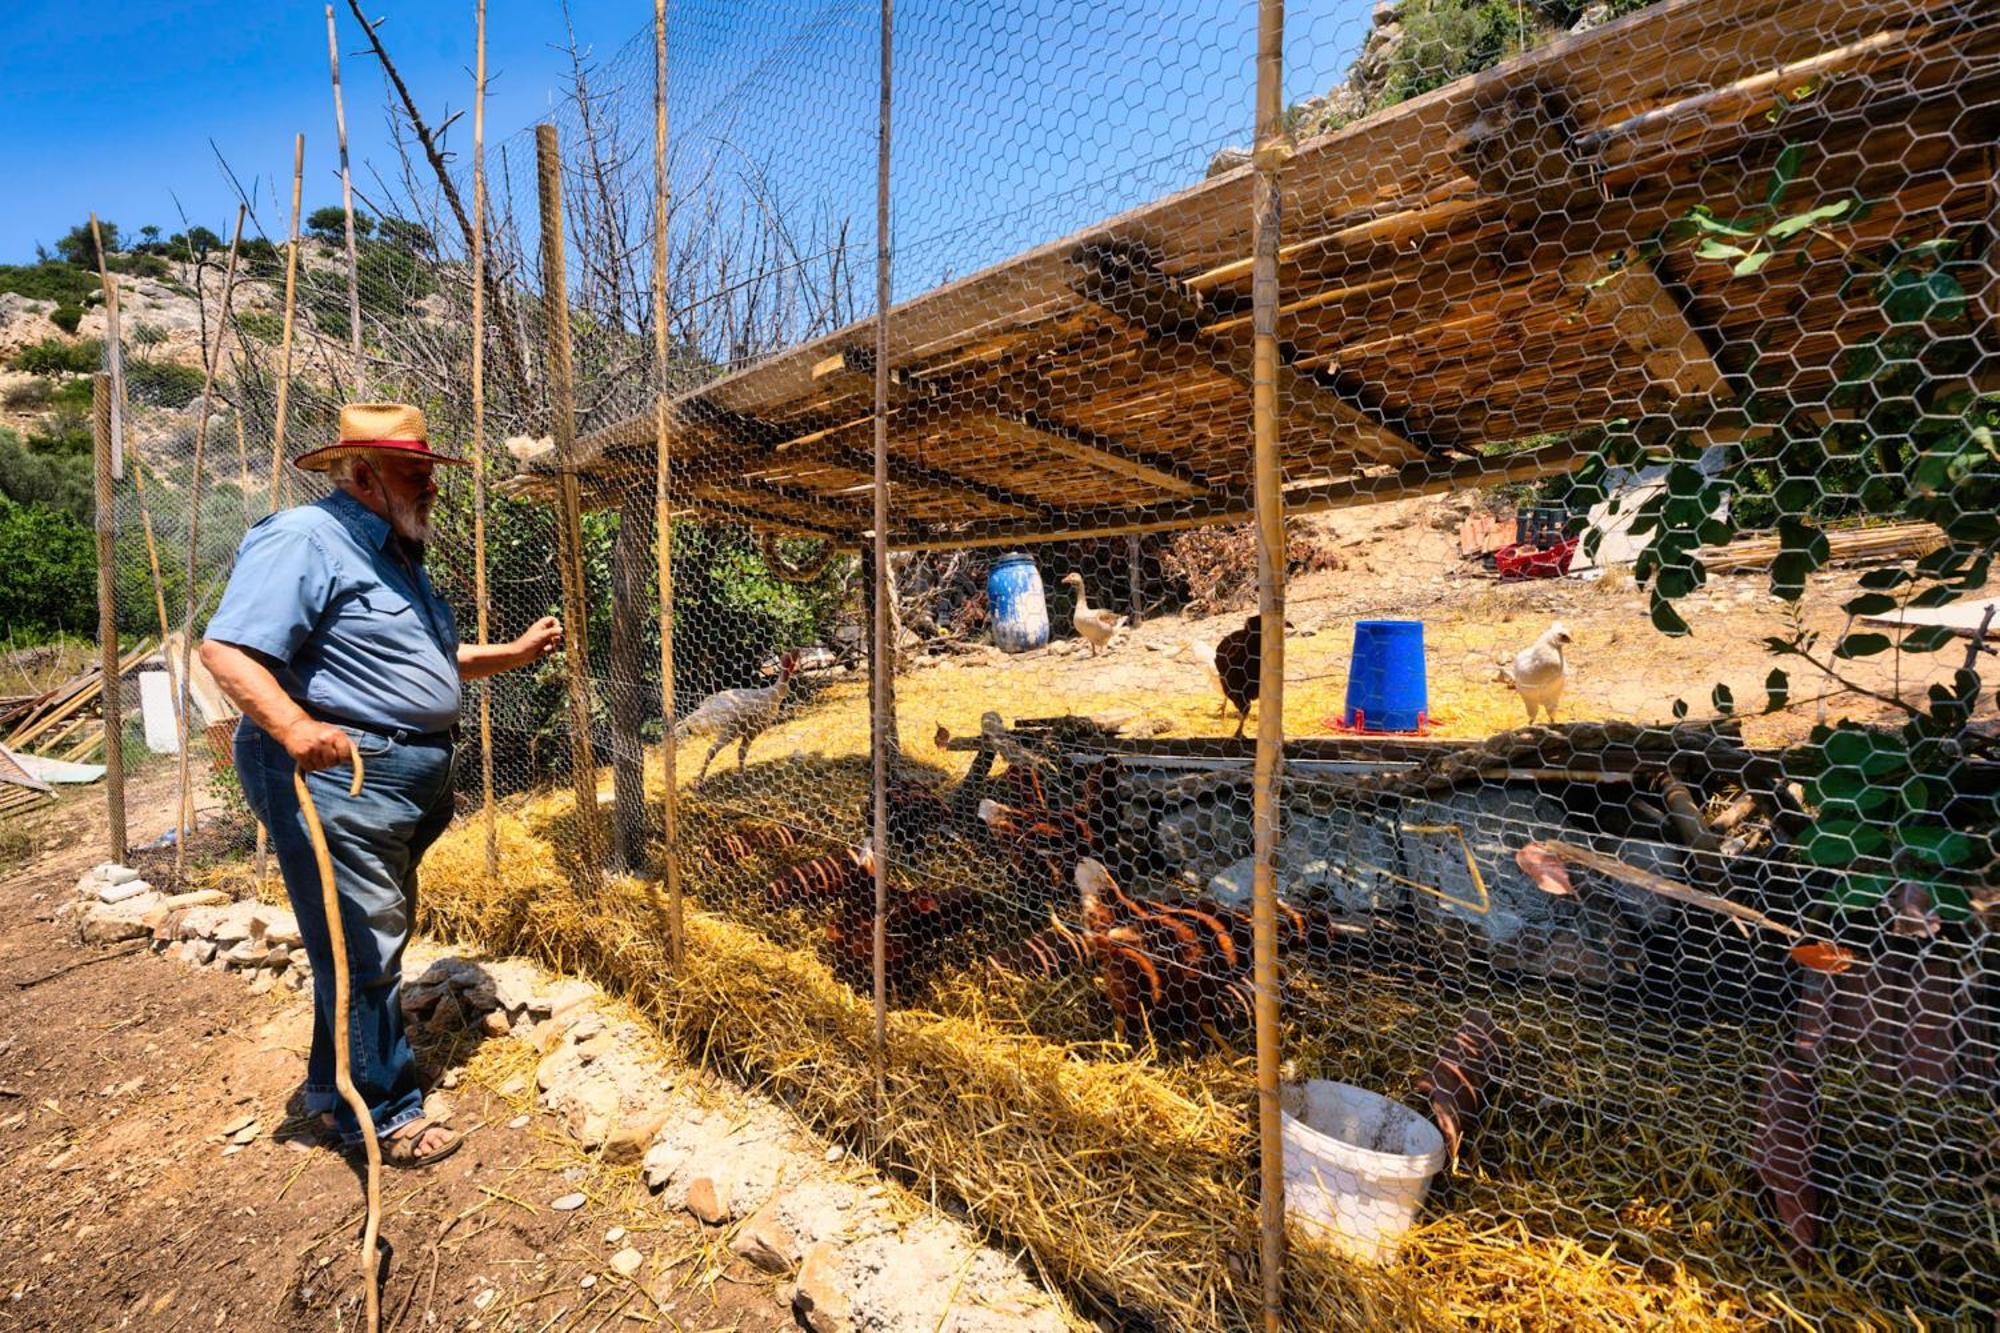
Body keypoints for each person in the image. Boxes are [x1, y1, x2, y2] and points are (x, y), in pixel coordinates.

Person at [200, 403, 561, 1166]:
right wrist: (296, 730)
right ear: (362, 473)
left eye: (431, 471)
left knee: (362, 940)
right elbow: (227, 650)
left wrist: (517, 653)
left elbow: (430, 662)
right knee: (365, 946)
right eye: (414, 471)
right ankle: (386, 1111)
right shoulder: (305, 538)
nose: (431, 486)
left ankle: (334, 1092)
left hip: (399, 778)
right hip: (338, 773)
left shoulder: (395, 554)